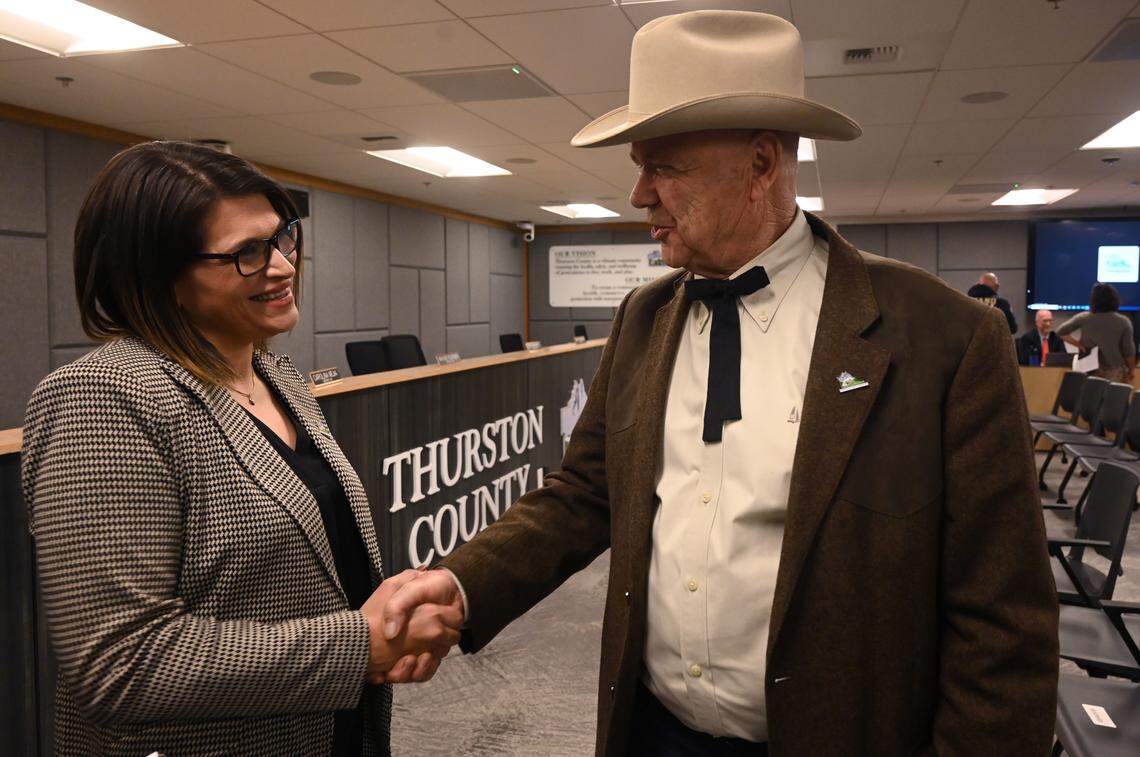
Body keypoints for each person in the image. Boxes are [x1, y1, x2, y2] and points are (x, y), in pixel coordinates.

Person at [381, 11, 1058, 756]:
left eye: (663, 167)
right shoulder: (643, 318)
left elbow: (1002, 622)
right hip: (654, 734)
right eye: (638, 167)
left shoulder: (943, 336)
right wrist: (464, 585)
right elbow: (586, 492)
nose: (639, 194)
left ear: (762, 164)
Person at [20, 141, 459, 756]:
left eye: (282, 238)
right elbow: (120, 664)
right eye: (246, 253)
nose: (281, 266)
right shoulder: (103, 397)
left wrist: (390, 620)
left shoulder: (278, 377)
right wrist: (360, 645)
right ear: (160, 277)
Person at [1055, 282, 1136, 382]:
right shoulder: (1123, 321)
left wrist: (1079, 345)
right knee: (1114, 392)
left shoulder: (1084, 318)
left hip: (1089, 368)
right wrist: (1131, 370)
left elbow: (1060, 331)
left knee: (1091, 392)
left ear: (1093, 301)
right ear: (1115, 300)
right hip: (1115, 370)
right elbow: (1128, 350)